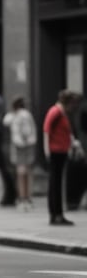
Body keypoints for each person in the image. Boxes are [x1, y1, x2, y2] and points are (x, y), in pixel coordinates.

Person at [43, 89, 82, 225]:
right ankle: (56, 214)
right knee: (55, 184)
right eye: (73, 103)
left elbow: (66, 133)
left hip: (61, 151)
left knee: (57, 183)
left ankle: (58, 214)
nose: (74, 107)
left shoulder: (62, 113)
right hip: (55, 151)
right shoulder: (56, 111)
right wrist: (47, 151)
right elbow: (47, 131)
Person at [3, 96, 37, 211]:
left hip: (20, 147)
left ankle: (23, 198)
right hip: (27, 146)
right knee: (26, 173)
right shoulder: (25, 114)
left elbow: (6, 122)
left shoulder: (18, 115)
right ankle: (27, 198)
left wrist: (22, 141)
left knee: (21, 173)